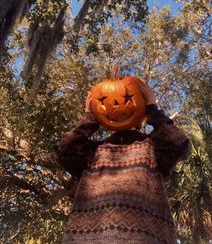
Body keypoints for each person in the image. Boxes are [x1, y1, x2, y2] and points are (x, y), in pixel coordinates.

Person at [55, 82, 190, 244]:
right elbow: (63, 152)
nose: (117, 105)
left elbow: (179, 145)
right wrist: (89, 119)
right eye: (105, 101)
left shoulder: (152, 149)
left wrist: (153, 110)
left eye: (127, 99)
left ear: (141, 110)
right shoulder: (92, 151)